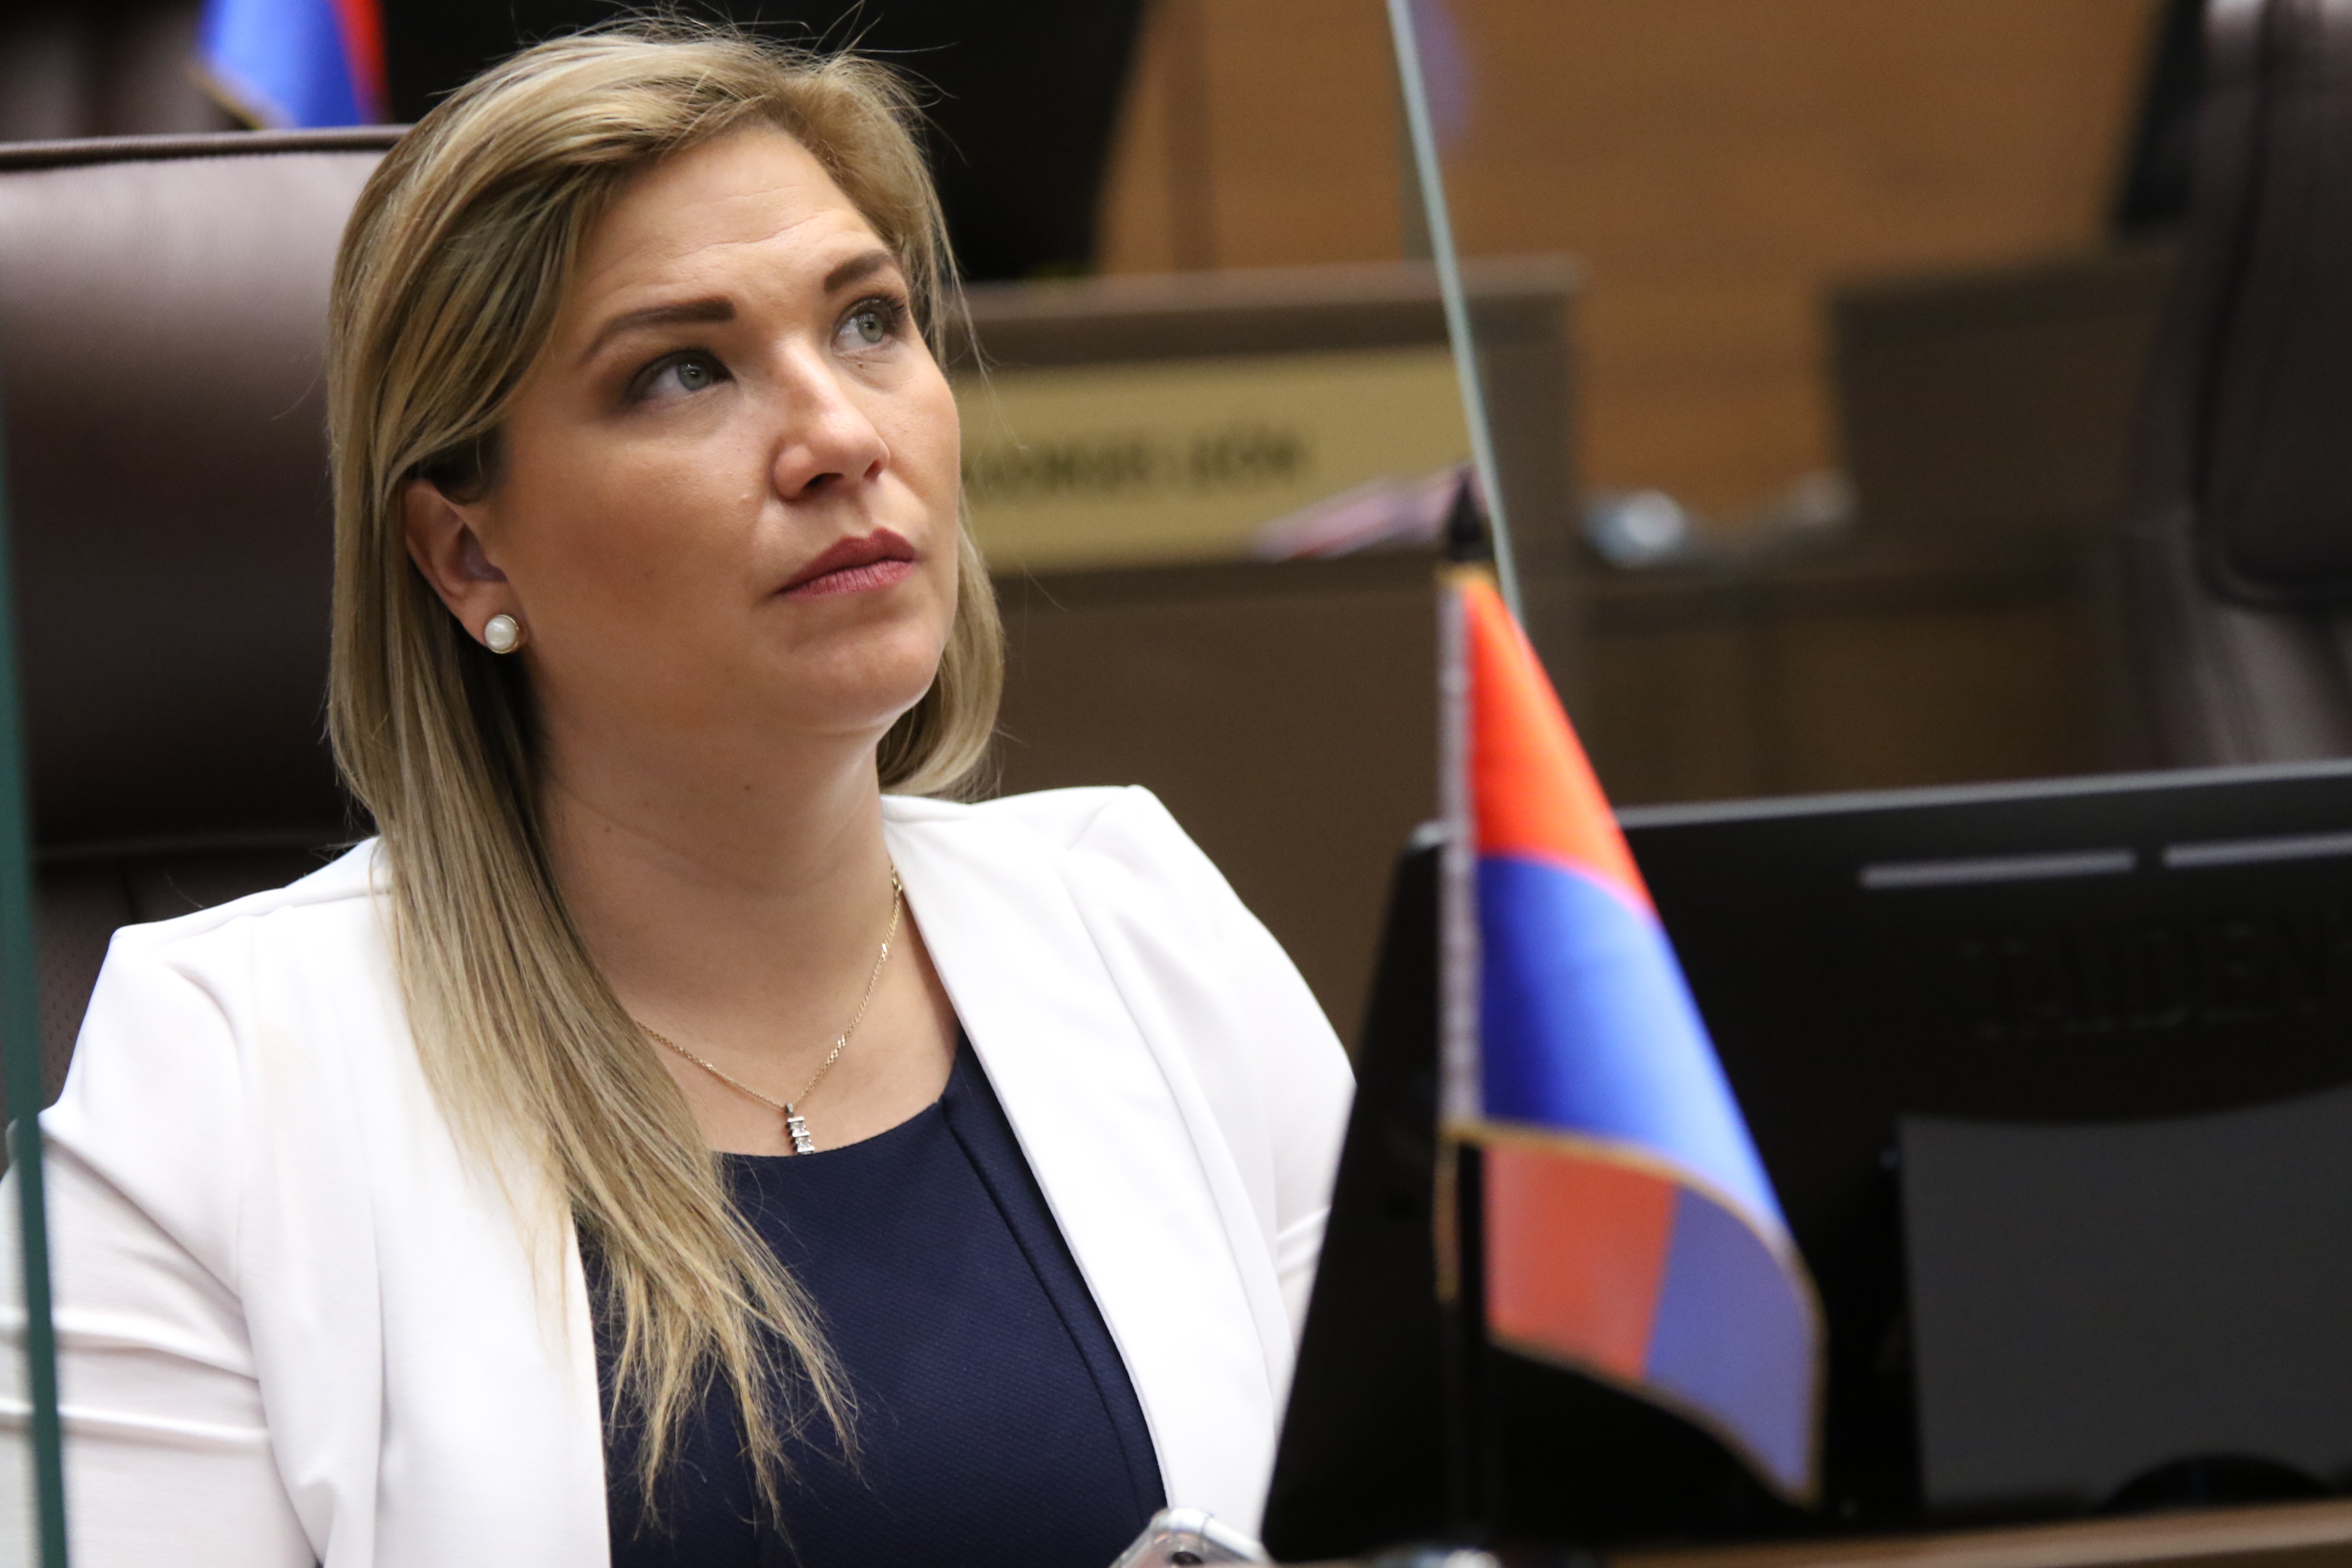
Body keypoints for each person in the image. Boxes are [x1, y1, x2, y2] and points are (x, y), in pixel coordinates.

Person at [0, 24, 1352, 1567]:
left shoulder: (1143, 924)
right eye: (682, 371)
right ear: (469, 554)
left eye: (869, 321)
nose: (841, 437)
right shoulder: (216, 1078)